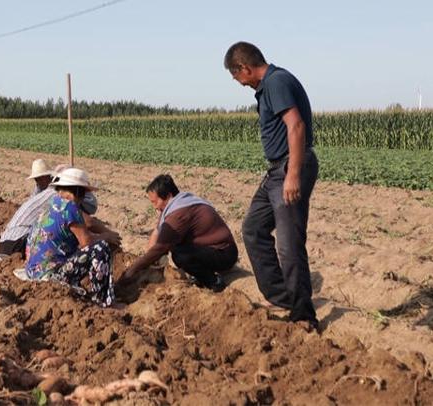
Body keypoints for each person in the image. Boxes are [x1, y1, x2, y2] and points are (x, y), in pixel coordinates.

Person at [224, 41, 320, 329]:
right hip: (276, 171)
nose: (238, 83)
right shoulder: (269, 86)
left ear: (244, 67)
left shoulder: (276, 82)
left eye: (235, 76)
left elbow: (296, 125)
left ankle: (303, 315)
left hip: (290, 168)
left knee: (289, 245)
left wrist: (292, 174)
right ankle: (281, 295)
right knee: (253, 228)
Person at [118, 174, 238, 292]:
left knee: (181, 255)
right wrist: (149, 257)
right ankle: (201, 275)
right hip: (209, 249)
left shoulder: (179, 213)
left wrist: (132, 271)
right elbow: (157, 231)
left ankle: (214, 282)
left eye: (155, 202)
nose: (154, 207)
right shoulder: (177, 203)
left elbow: (161, 247)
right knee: (176, 246)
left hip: (224, 253)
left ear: (168, 196)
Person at [24, 168, 120, 307]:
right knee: (100, 247)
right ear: (78, 192)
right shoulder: (70, 207)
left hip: (33, 271)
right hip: (50, 275)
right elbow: (86, 242)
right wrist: (105, 236)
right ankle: (103, 301)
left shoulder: (54, 202)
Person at [0, 163, 104, 258]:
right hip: (16, 242)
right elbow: (88, 223)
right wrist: (106, 234)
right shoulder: (60, 198)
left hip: (8, 242)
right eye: (82, 192)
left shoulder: (49, 194)